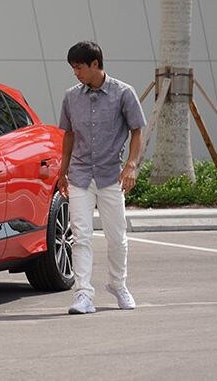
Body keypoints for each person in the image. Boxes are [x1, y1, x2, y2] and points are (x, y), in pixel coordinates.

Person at [57, 41, 146, 314]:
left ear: (95, 64)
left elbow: (137, 131)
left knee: (117, 237)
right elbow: (68, 134)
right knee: (80, 236)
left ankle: (118, 285)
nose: (76, 73)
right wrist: (62, 172)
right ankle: (83, 293)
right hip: (80, 175)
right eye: (73, 68)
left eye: (79, 67)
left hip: (110, 176)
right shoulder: (71, 96)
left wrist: (131, 165)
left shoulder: (123, 93)